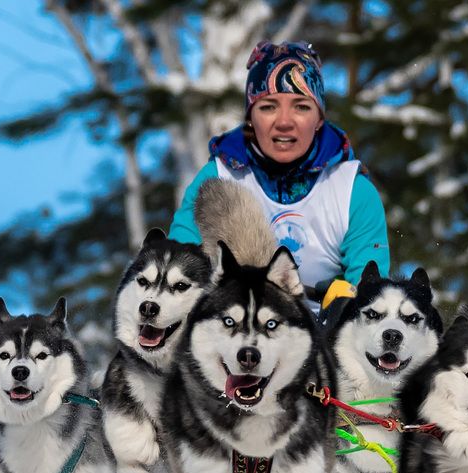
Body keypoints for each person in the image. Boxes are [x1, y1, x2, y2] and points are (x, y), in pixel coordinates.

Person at [167, 40, 390, 314]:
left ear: (319, 118)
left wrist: (349, 301)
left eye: (301, 107)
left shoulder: (352, 191)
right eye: (269, 106)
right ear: (251, 116)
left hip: (322, 341)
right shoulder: (219, 176)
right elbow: (177, 270)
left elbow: (372, 296)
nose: (284, 121)